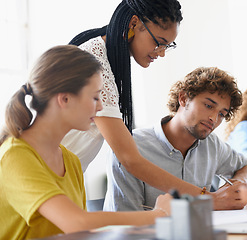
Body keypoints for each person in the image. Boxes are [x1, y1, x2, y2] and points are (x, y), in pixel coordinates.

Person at [0, 45, 171, 240]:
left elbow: (80, 233)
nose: (100, 106)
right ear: (64, 99)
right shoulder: (14, 156)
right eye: (95, 97)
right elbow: (76, 222)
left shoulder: (70, 161)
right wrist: (158, 215)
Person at [61, 0, 205, 196]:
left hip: (61, 180)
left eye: (167, 46)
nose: (161, 53)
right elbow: (129, 159)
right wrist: (206, 196)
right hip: (40, 177)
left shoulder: (105, 56)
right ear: (134, 23)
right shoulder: (93, 63)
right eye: (159, 42)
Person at [103, 67, 247, 212]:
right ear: (183, 98)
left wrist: (233, 188)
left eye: (221, 114)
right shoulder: (131, 147)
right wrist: (211, 201)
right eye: (208, 105)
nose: (213, 118)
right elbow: (126, 222)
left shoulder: (212, 145)